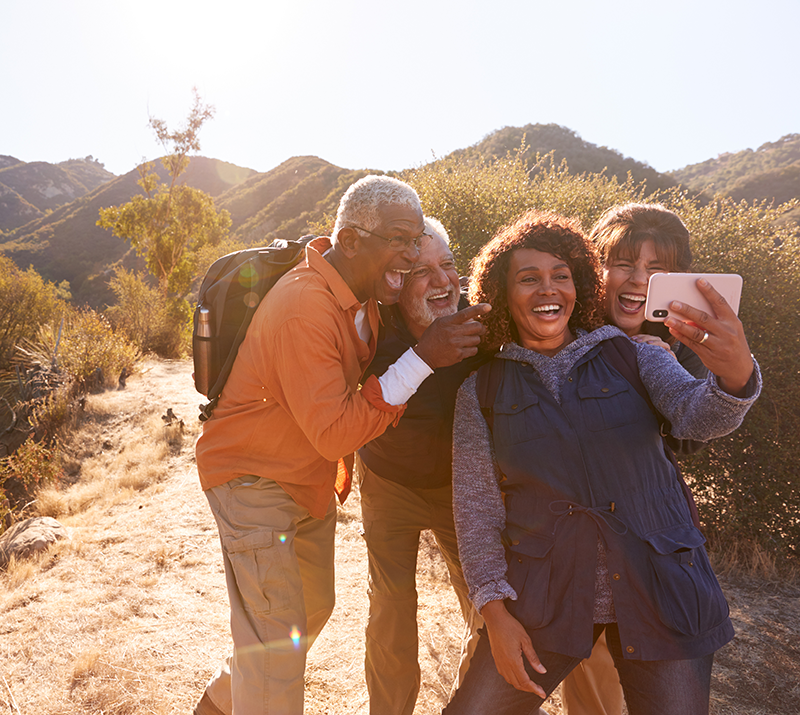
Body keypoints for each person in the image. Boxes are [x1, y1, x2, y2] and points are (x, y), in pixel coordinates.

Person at [193, 175, 490, 715]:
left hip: (303, 479)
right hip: (251, 478)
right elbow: (335, 429)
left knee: (306, 613)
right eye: (400, 240)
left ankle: (216, 705)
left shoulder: (366, 294)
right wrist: (425, 358)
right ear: (351, 241)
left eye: (416, 238)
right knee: (276, 653)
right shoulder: (306, 306)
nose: (409, 253)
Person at [444, 209, 761, 715]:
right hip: (547, 598)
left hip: (659, 587)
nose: (548, 290)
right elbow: (476, 511)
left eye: (561, 276)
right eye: (529, 278)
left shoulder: (637, 353)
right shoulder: (479, 390)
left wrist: (735, 376)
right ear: (503, 292)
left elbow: (696, 417)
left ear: (580, 285)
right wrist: (495, 613)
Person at [559, 202, 709, 715]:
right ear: (594, 267)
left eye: (657, 269)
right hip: (562, 536)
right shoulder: (560, 326)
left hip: (646, 537)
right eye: (622, 262)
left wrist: (662, 377)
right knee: (582, 678)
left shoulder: (678, 343)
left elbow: (690, 439)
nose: (638, 280)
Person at [356, 217, 488, 715]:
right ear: (396, 285)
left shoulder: (486, 331)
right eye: (421, 272)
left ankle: (474, 704)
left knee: (487, 607)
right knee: (391, 610)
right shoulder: (372, 334)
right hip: (388, 482)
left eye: (448, 265)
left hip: (462, 488)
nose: (442, 280)